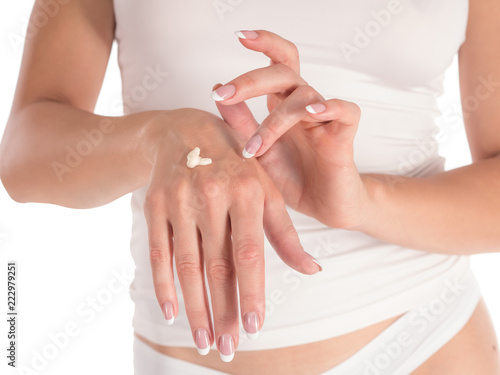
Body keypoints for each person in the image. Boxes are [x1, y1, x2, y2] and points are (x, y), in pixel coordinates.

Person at [1, 0, 499, 374]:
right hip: (188, 356)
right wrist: (157, 138)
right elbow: (24, 153)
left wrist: (363, 201)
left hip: (423, 339)